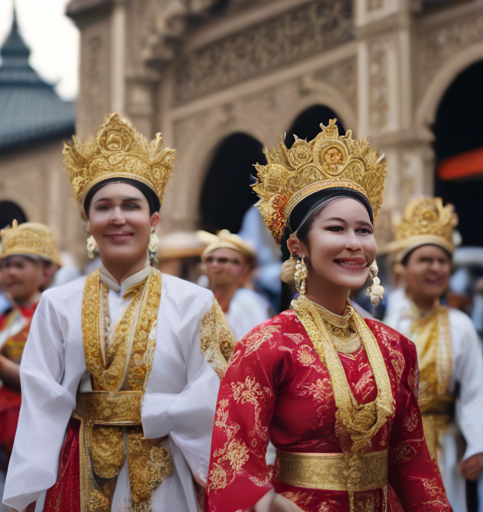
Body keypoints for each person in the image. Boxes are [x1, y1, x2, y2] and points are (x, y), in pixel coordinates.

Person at [206, 120, 450, 512]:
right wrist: (268, 504)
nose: (354, 244)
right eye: (336, 229)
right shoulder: (266, 346)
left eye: (364, 230)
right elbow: (232, 462)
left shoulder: (395, 347)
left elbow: (413, 463)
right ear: (297, 245)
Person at [2, 113, 236, 512]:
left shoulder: (194, 302)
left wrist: (155, 411)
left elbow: (217, 394)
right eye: (103, 207)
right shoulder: (56, 304)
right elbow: (42, 403)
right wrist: (26, 492)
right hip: (78, 472)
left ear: (153, 221)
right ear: (88, 224)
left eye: (132, 205)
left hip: (168, 472)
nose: (117, 218)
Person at [384, 196, 483, 512]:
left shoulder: (461, 325)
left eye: (442, 260)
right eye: (425, 259)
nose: (435, 267)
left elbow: (475, 392)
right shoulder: (389, 325)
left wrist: (477, 446)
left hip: (445, 446)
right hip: (393, 447)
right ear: (404, 268)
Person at [0, 221, 61, 478]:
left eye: (19, 265)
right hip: (2, 424)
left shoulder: (56, 317)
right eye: (6, 265)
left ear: (46, 271)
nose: (9, 273)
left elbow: (56, 383)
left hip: (41, 429)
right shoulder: (3, 319)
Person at [199, 229, 271, 340]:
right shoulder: (205, 298)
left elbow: (257, 349)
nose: (214, 265)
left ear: (245, 270)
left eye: (222, 260)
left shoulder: (246, 300)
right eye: (210, 259)